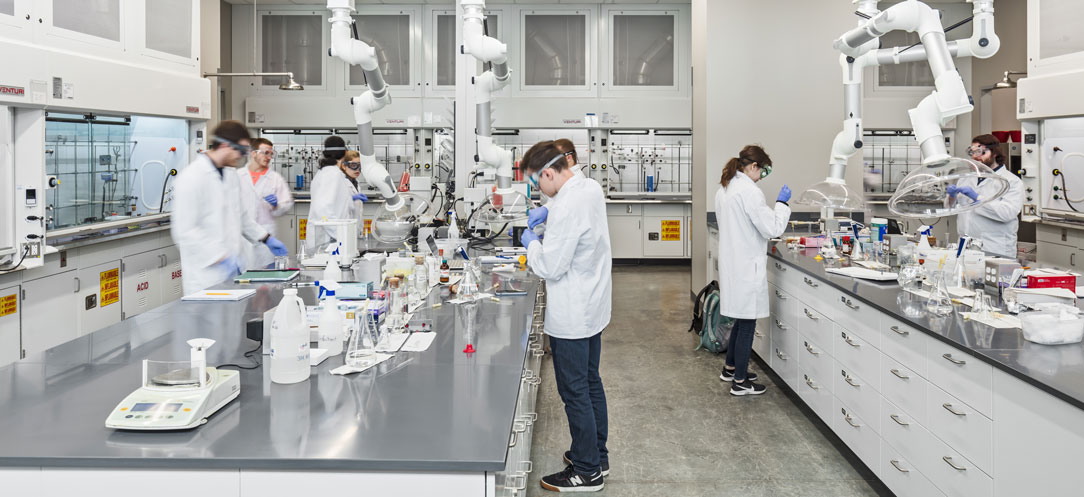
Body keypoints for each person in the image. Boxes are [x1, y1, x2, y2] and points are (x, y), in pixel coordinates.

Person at [518, 140, 611, 492]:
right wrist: (550, 212)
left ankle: (587, 472)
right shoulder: (587, 188)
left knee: (574, 391)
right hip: (593, 305)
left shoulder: (568, 204)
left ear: (549, 172)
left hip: (574, 309)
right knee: (590, 382)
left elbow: (550, 266)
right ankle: (595, 454)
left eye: (535, 182)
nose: (535, 190)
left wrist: (531, 242)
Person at [171, 121, 288, 295]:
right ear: (225, 145)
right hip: (206, 276)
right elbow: (184, 232)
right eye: (240, 151)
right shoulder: (191, 177)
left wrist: (266, 238)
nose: (241, 157)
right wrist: (221, 258)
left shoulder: (230, 174)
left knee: (234, 320)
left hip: (234, 273)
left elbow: (240, 216)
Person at [714, 145, 791, 396]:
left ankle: (730, 368)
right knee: (747, 322)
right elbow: (772, 229)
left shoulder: (725, 189)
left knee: (740, 318)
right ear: (754, 166)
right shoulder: (749, 192)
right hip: (746, 266)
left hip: (734, 264)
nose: (762, 177)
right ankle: (740, 382)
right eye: (764, 171)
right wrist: (781, 203)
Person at [948, 134, 1024, 258]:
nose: (975, 157)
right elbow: (953, 208)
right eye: (972, 152)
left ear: (994, 153)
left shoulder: (1011, 182)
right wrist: (951, 197)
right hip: (965, 247)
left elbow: (1007, 213)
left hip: (994, 248)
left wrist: (977, 198)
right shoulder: (967, 178)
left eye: (980, 152)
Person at [238, 138, 294, 269]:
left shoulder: (276, 179)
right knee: (241, 280)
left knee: (264, 282)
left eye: (271, 153)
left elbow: (286, 205)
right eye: (265, 152)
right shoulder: (237, 176)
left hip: (266, 236)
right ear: (253, 153)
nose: (269, 157)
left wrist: (276, 206)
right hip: (242, 237)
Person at [307, 150, 368, 252]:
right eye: (353, 165)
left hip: (346, 234)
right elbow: (326, 208)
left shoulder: (355, 183)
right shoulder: (338, 180)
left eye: (360, 166)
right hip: (331, 236)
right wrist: (348, 199)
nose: (357, 169)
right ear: (344, 166)